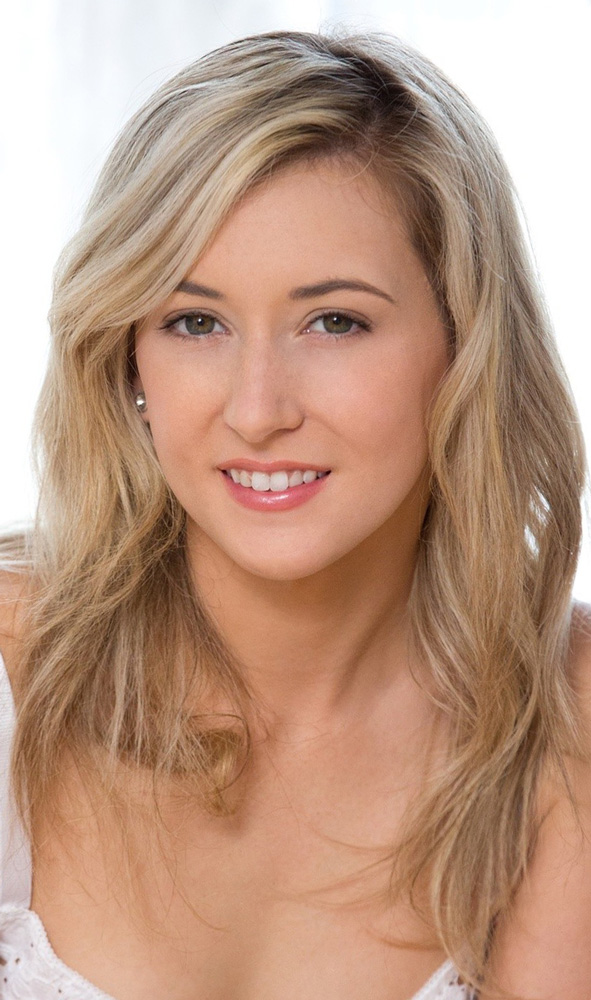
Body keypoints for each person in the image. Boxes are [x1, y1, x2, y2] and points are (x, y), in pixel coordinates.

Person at [0, 28, 589, 1000]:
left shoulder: (561, 712)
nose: (257, 410)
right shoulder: (14, 671)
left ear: (465, 345)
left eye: (335, 321)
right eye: (195, 322)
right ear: (127, 359)